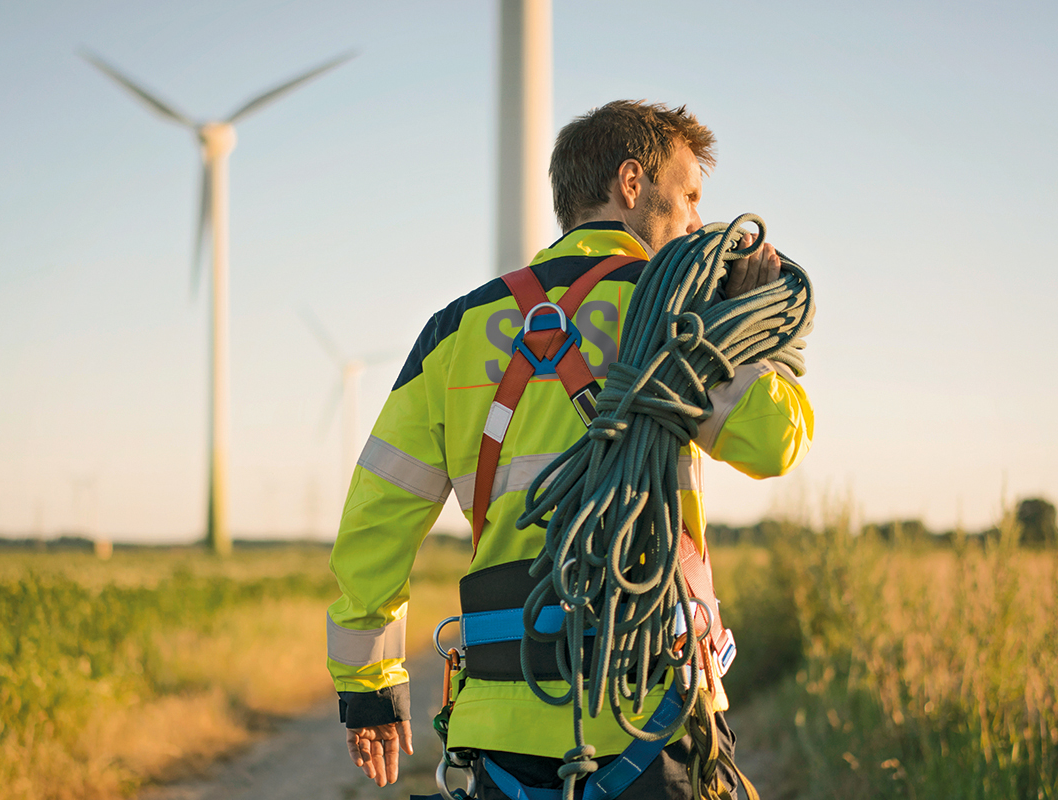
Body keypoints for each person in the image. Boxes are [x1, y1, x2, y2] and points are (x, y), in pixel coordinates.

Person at [326, 100, 815, 798]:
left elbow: (378, 513)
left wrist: (368, 684)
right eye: (688, 199)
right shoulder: (676, 315)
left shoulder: (454, 330)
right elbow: (774, 443)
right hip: (648, 712)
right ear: (631, 183)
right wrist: (744, 330)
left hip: (499, 726)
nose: (698, 226)